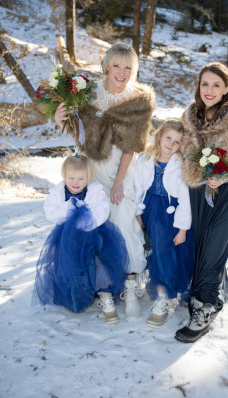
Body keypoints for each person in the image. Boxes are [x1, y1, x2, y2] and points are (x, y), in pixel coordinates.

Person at [54, 42, 155, 321]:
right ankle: (102, 288)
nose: (122, 72)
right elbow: (77, 130)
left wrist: (119, 182)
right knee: (94, 224)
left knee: (123, 220)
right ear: (107, 66)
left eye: (128, 67)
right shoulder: (87, 91)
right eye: (117, 65)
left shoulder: (139, 99)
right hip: (92, 168)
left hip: (121, 169)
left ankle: (131, 287)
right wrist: (59, 117)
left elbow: (133, 146)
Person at [175, 61, 228, 343]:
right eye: (205, 84)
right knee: (200, 248)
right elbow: (180, 151)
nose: (209, 90)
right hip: (195, 193)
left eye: (216, 85)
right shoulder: (188, 117)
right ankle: (210, 292)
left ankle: (203, 310)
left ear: (226, 89)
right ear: (198, 87)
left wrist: (224, 177)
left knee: (214, 249)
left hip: (222, 195)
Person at [34, 155, 129, 324]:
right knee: (69, 264)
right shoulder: (58, 192)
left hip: (93, 233)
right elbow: (50, 211)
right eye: (71, 178)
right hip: (67, 238)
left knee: (99, 260)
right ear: (64, 176)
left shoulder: (94, 191)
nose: (75, 182)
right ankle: (73, 293)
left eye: (81, 178)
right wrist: (71, 211)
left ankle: (104, 293)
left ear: (88, 178)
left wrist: (86, 221)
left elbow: (103, 210)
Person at [135, 120, 194, 327]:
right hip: (150, 208)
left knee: (165, 249)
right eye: (168, 138)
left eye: (177, 142)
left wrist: (182, 229)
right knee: (154, 250)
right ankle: (161, 288)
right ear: (159, 136)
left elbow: (185, 198)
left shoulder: (180, 165)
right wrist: (137, 213)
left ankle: (164, 294)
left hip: (171, 212)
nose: (171, 144)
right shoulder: (144, 159)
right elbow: (138, 189)